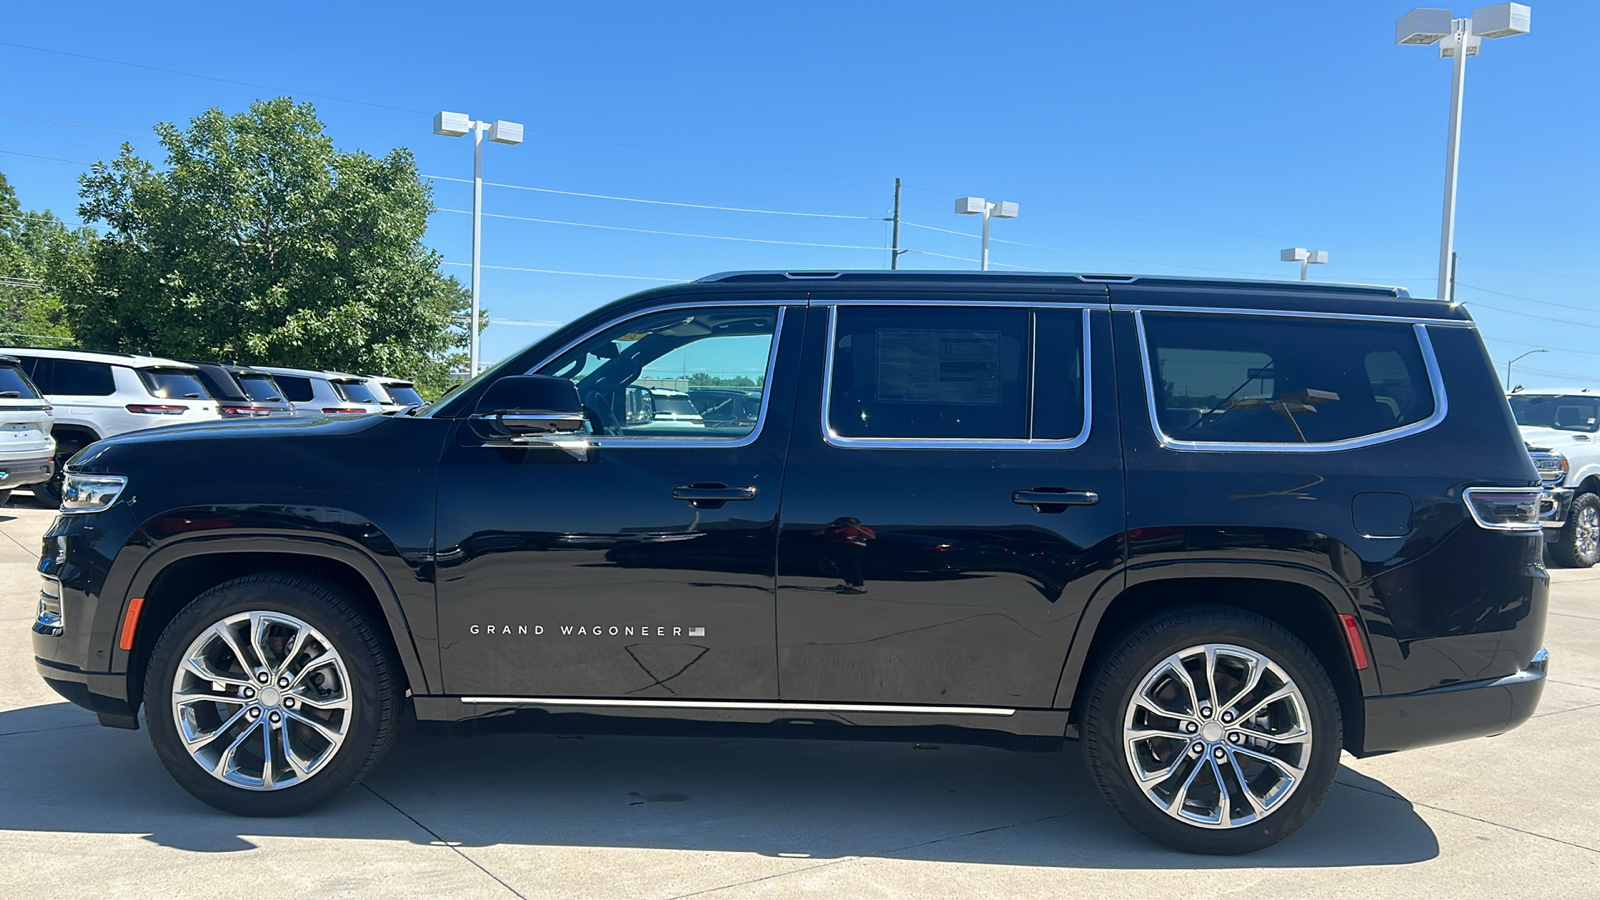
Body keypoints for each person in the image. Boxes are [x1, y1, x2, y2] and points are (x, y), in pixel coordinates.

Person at [815, 516, 875, 593]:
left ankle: (859, 585)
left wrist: (857, 529)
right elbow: (816, 534)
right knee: (842, 565)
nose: (846, 525)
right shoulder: (834, 529)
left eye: (850, 523)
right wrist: (826, 527)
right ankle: (849, 583)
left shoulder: (863, 529)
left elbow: (871, 537)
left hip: (853, 547)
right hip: (837, 547)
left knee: (852, 565)